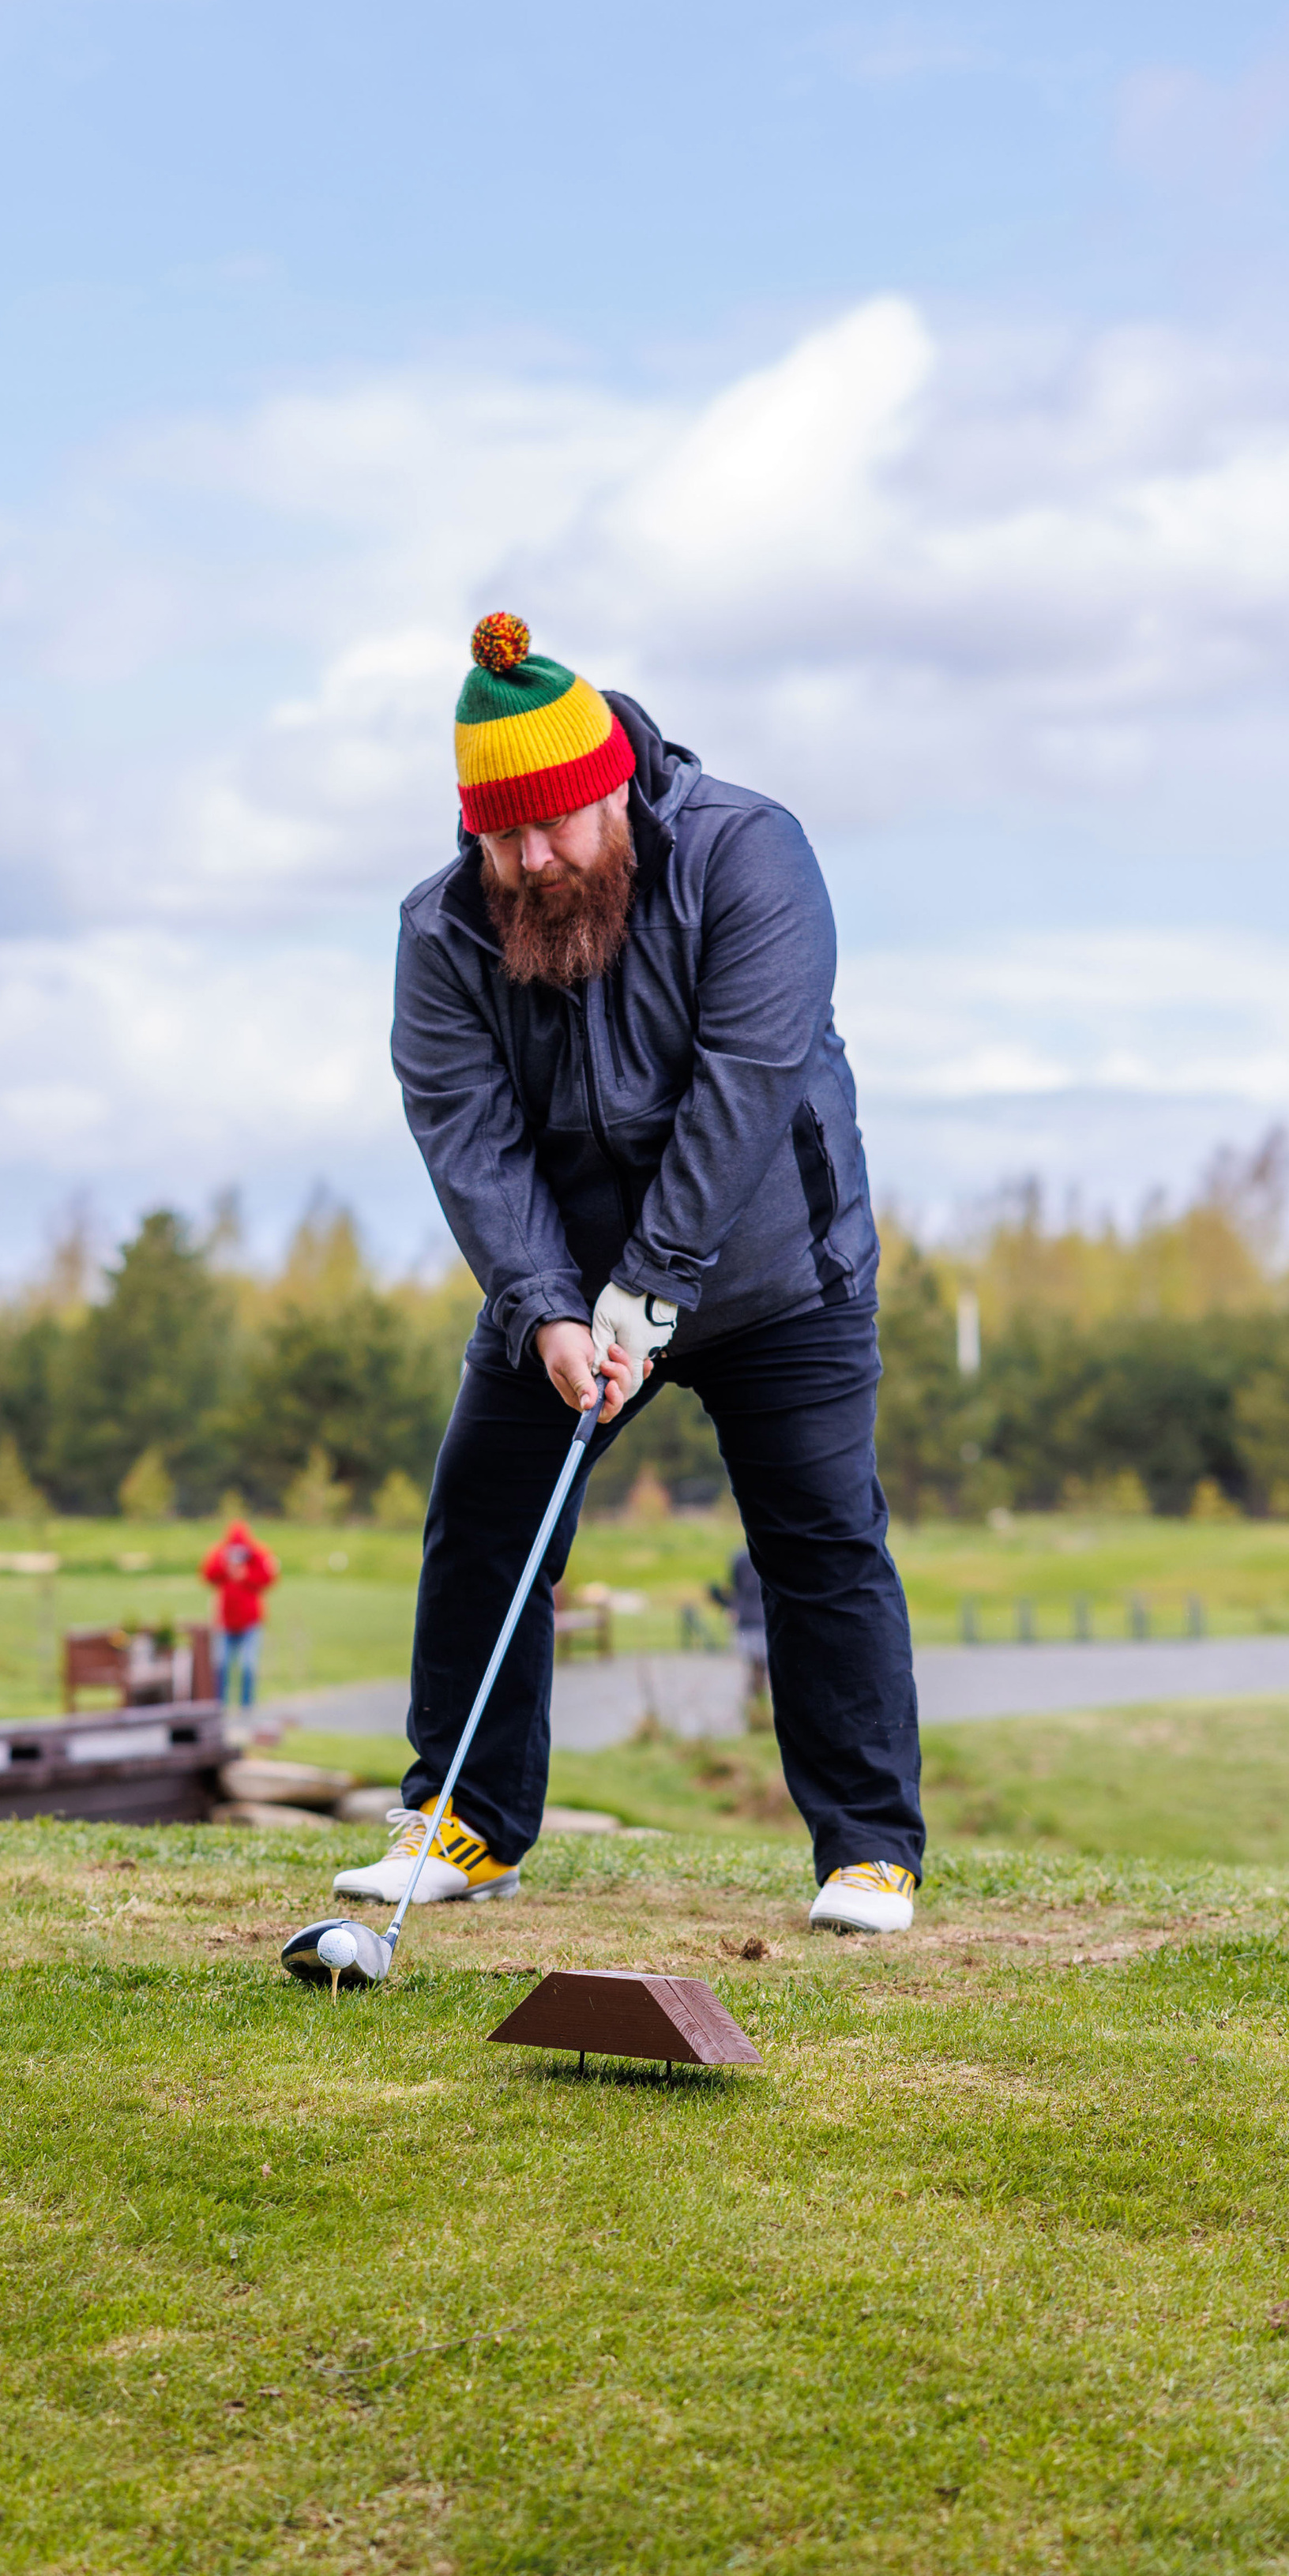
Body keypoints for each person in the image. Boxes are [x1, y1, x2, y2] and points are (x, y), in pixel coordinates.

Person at [334, 614, 923, 1937]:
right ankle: (467, 1823)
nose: (535, 863)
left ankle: (868, 1854)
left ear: (613, 788)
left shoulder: (746, 853)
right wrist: (544, 1304)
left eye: (556, 829)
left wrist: (652, 1287)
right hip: (570, 1284)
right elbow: (466, 1133)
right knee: (485, 1518)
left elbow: (750, 1081)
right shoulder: (443, 931)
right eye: (505, 839)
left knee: (820, 1538)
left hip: (783, 1268)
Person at [201, 1519, 278, 1710]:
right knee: (221, 1665)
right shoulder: (221, 1554)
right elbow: (208, 1574)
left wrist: (247, 1574)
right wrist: (224, 1565)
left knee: (248, 1666)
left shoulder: (257, 1554)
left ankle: (246, 1706)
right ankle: (218, 1706)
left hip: (250, 1622)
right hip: (225, 1621)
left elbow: (269, 1577)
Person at [709, 1548, 770, 1706]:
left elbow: (735, 1588)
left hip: (746, 1618)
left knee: (754, 1664)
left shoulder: (739, 1558)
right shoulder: (770, 1552)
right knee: (761, 1665)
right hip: (763, 1617)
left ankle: (756, 1702)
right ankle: (758, 1703)